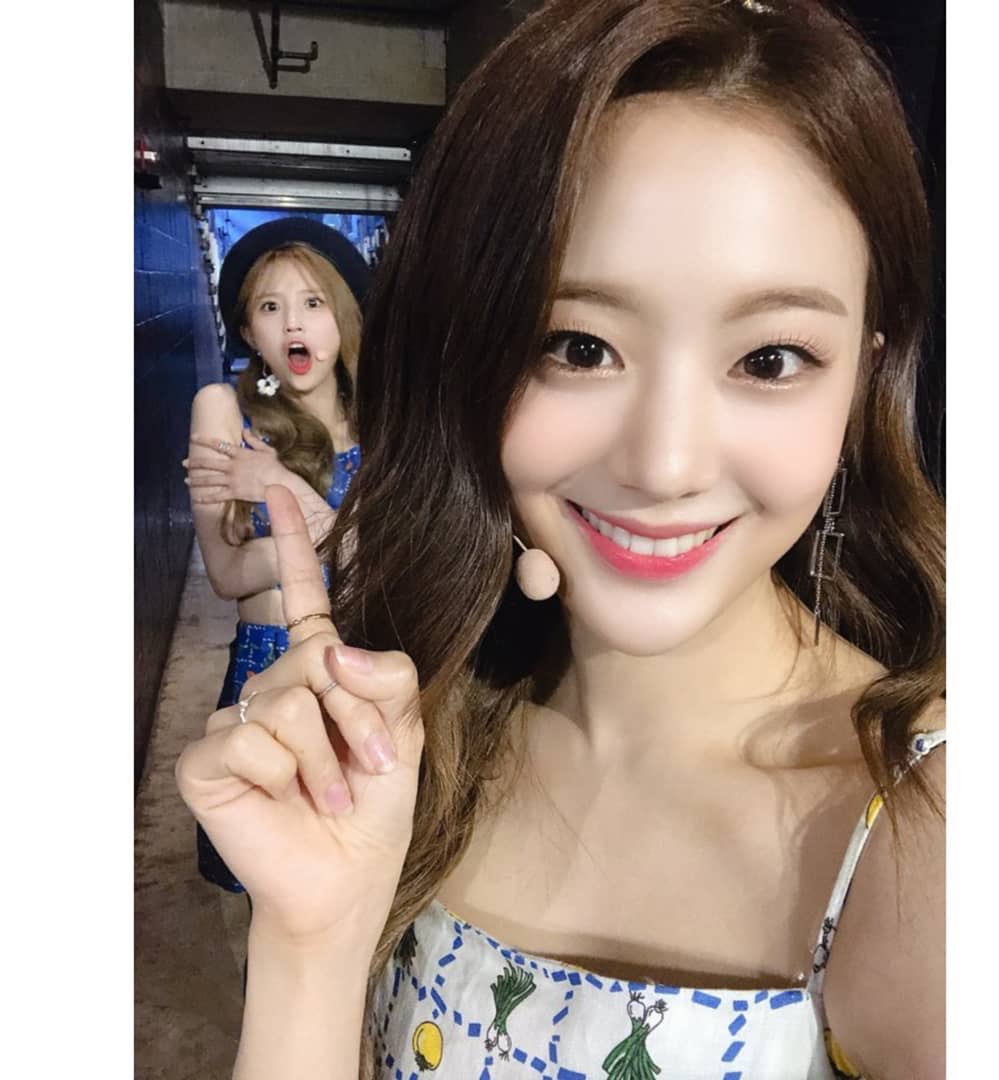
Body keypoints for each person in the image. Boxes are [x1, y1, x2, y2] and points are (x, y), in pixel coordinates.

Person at [176, 2, 946, 1077]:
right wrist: (311, 944)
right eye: (578, 346)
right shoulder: (429, 720)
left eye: (770, 360)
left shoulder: (928, 837)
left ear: (865, 375)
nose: (665, 464)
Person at [182, 217, 372, 890]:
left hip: (362, 661)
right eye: (270, 306)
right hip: (268, 664)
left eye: (313, 302)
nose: (294, 322)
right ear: (249, 332)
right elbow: (229, 574)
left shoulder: (386, 423)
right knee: (271, 882)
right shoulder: (225, 411)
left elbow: (389, 565)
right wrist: (338, 540)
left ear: (341, 316)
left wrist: (276, 486)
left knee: (360, 870)